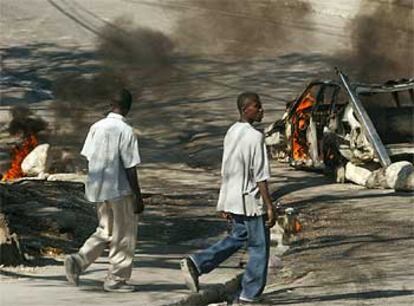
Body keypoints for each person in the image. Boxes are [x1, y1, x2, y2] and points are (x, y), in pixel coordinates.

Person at [180, 92, 276, 303]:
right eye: (257, 106)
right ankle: (249, 296)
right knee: (259, 247)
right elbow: (260, 174)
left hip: (233, 197)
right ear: (245, 109)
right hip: (250, 200)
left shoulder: (232, 132)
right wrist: (269, 205)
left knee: (239, 236)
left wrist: (223, 200)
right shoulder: (255, 136)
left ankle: (196, 263)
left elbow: (226, 169)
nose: (261, 110)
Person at [64, 89, 144, 293]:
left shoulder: (96, 127)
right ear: (128, 108)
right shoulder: (126, 131)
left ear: (110, 105)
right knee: (123, 234)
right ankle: (116, 278)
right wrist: (137, 195)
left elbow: (89, 156)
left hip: (99, 189)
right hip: (120, 189)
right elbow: (130, 167)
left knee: (105, 230)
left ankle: (79, 260)